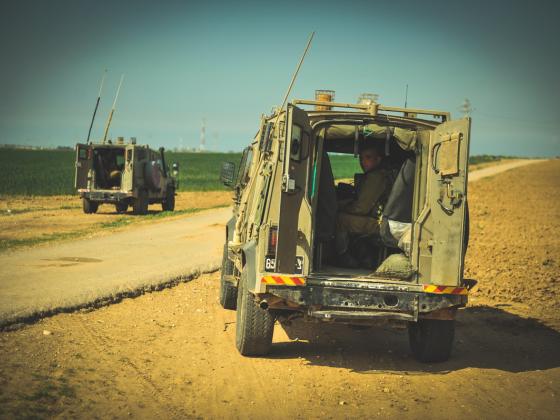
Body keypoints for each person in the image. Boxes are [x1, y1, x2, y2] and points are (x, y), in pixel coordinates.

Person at [335, 142, 387, 268]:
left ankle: (343, 257)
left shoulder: (376, 177)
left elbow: (361, 208)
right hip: (376, 220)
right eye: (361, 158)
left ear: (378, 159)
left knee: (340, 219)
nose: (363, 162)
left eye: (368, 157)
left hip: (378, 224)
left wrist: (340, 206)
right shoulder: (374, 175)